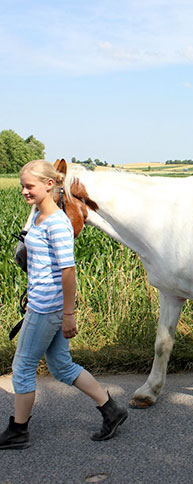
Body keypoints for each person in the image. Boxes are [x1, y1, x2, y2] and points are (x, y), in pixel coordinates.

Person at [0, 160, 128, 450]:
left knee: (21, 367)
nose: (24, 191)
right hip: (44, 303)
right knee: (61, 365)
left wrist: (68, 314)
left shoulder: (57, 223)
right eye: (22, 185)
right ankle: (112, 410)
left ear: (49, 185)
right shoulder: (36, 217)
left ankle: (18, 431)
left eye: (29, 186)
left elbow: (68, 271)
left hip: (47, 308)